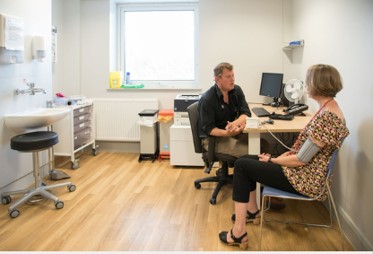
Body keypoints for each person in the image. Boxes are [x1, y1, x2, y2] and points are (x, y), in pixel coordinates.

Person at [218, 64, 350, 249]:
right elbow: (305, 154)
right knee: (247, 159)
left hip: (303, 179)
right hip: (303, 172)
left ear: (319, 84)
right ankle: (253, 212)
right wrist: (282, 155)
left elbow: (300, 160)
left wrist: (273, 160)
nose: (305, 85)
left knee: (241, 166)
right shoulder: (329, 110)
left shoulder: (328, 118)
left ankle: (238, 232)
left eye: (308, 81)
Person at [198, 62, 251, 159]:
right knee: (251, 152)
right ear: (217, 79)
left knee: (263, 144)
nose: (233, 79)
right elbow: (210, 129)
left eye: (233, 75)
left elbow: (246, 113)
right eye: (228, 77)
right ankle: (242, 173)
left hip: (232, 133)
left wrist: (235, 124)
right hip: (214, 139)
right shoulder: (208, 99)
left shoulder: (236, 90)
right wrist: (229, 133)